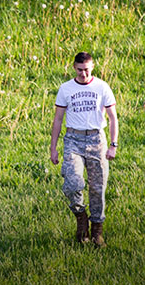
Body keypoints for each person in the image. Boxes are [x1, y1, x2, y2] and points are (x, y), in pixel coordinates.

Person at [49, 52, 118, 247]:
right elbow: (58, 120)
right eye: (80, 70)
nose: (83, 74)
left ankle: (97, 231)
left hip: (97, 139)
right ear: (74, 68)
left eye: (87, 70)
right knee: (72, 183)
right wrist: (53, 148)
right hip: (73, 139)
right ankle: (81, 216)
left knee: (98, 188)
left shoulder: (102, 87)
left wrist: (113, 144)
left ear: (93, 67)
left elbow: (113, 118)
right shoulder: (66, 89)